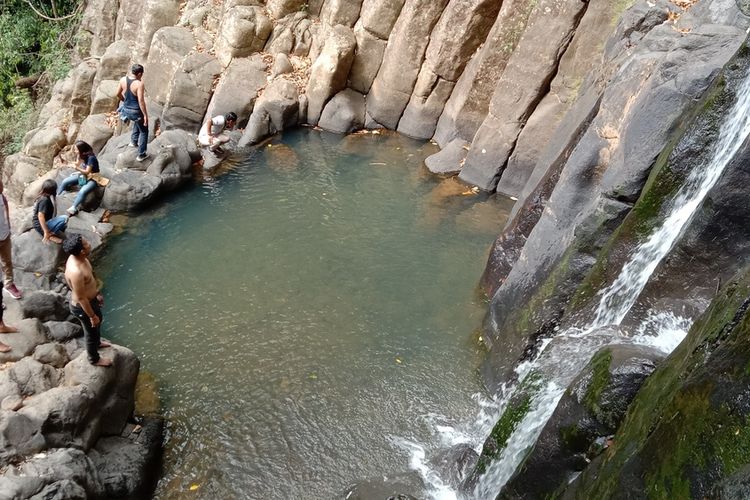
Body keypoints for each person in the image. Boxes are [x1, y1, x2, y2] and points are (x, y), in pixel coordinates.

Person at [63, 234, 112, 367]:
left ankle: (98, 343)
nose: (89, 243)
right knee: (90, 332)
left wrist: (97, 293)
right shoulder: (76, 272)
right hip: (82, 307)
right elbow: (81, 298)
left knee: (98, 321)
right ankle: (94, 359)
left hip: (91, 300)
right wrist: (91, 316)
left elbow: (91, 276)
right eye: (86, 243)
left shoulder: (81, 258)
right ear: (82, 251)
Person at [58, 140, 107, 216]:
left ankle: (73, 207)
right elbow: (77, 163)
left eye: (76, 149)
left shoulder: (91, 158)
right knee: (65, 181)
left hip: (93, 177)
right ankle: (58, 196)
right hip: (84, 175)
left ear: (82, 150)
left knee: (83, 191)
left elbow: (87, 171)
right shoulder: (81, 155)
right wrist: (68, 163)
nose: (75, 151)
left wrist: (77, 168)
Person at [116, 63, 149, 162]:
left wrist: (125, 100)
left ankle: (133, 142)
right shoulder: (139, 84)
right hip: (135, 111)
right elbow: (141, 101)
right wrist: (145, 115)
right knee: (144, 131)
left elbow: (117, 94)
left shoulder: (123, 80)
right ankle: (141, 155)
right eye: (142, 74)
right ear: (139, 74)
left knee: (137, 122)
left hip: (126, 110)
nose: (142, 76)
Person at [0, 180, 21, 299]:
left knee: (7, 261)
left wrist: (7, 223)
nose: (2, 187)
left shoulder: (1, 196)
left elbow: (5, 206)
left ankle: (9, 284)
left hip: (4, 235)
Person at [33, 179, 68, 244]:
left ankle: (49, 232)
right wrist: (46, 231)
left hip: (42, 222)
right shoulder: (44, 200)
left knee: (62, 224)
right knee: (65, 218)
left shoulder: (43, 195)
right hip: (40, 225)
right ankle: (49, 234)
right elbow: (40, 216)